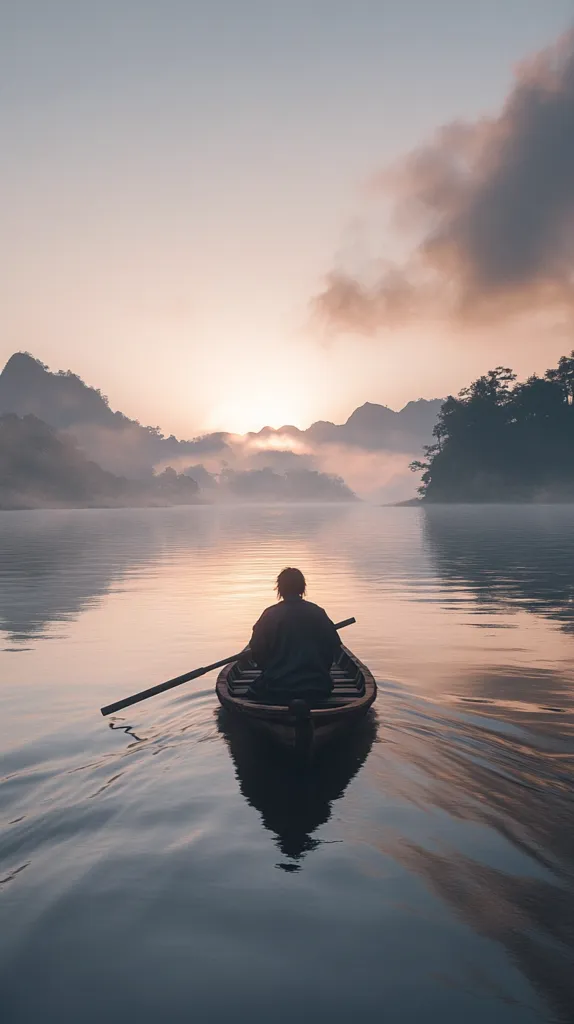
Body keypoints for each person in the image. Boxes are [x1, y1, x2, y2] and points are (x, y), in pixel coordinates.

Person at [247, 567, 341, 703]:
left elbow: (257, 650)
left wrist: (270, 670)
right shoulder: (318, 612)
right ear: (302, 589)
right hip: (317, 686)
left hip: (276, 687)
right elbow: (333, 649)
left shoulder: (269, 615)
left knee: (253, 692)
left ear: (280, 589)